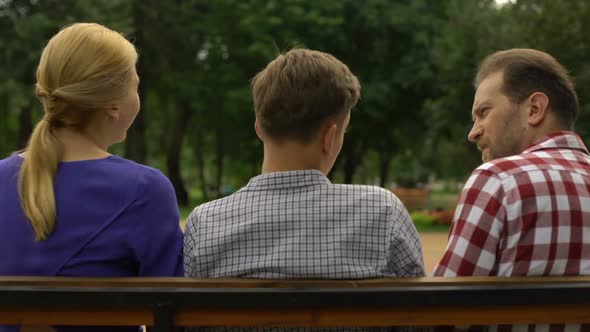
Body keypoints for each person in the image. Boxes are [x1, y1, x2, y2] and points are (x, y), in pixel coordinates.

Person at [183, 48, 424, 331]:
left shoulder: (205, 223)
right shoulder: (384, 213)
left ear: (259, 127)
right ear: (329, 136)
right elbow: (419, 319)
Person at [0, 23, 183, 332]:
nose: (137, 97)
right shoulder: (144, 191)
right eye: (135, 87)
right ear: (112, 106)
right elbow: (172, 316)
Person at [434, 48, 590, 331]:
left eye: (484, 112)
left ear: (534, 109)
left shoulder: (498, 181)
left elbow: (444, 315)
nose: (473, 132)